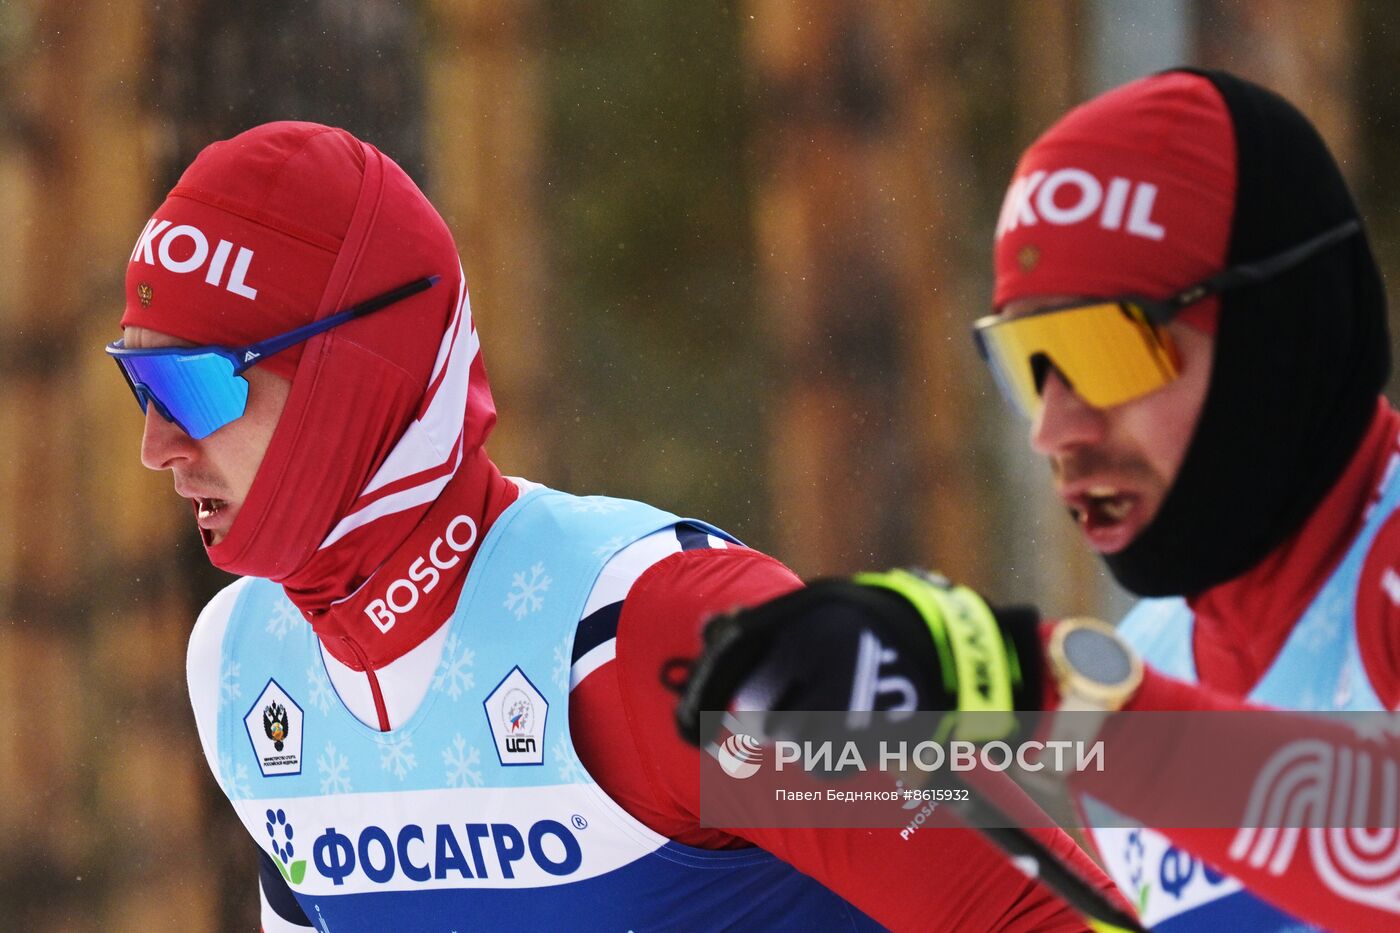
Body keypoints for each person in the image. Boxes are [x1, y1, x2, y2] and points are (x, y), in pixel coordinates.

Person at [108, 121, 1112, 931]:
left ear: (350, 376)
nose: (156, 445)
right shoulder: (244, 662)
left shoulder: (657, 632)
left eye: (190, 385)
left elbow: (1052, 906)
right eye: (137, 383)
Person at [678, 68, 1400, 932]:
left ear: (1278, 333)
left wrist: (1026, 685)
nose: (1055, 429)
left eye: (1105, 348)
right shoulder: (1155, 657)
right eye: (1030, 364)